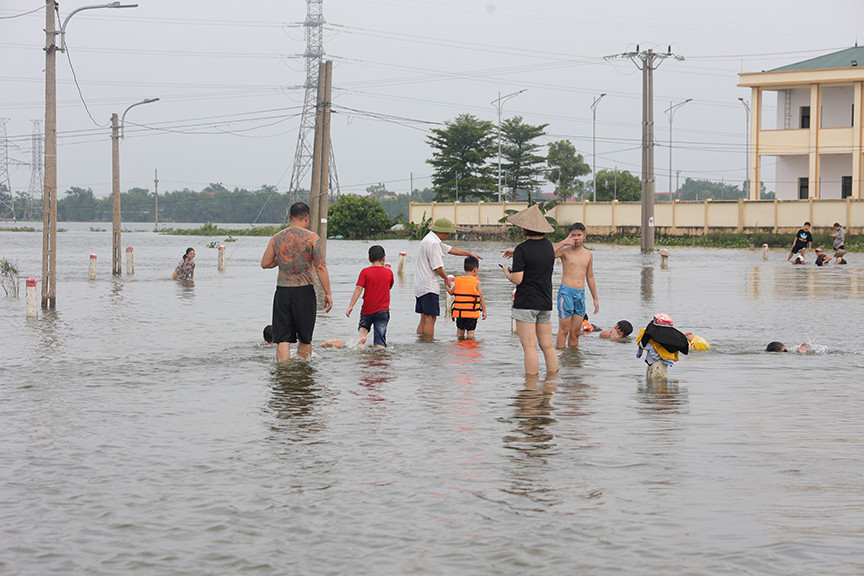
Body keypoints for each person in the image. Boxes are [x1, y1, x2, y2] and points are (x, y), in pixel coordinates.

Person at [260, 201, 332, 361]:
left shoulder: (277, 238)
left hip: (283, 291)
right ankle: (302, 375)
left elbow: (265, 263)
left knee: (283, 339)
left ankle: (284, 375)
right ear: (307, 218)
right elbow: (320, 267)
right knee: (305, 338)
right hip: (304, 290)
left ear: (289, 217)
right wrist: (328, 293)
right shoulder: (313, 238)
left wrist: (283, 259)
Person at [501, 204, 558, 376]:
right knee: (547, 345)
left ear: (525, 228)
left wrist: (506, 272)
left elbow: (518, 279)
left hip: (526, 302)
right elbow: (537, 259)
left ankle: (531, 386)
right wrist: (516, 253)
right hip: (545, 301)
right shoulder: (549, 247)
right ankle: (551, 382)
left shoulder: (522, 250)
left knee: (529, 346)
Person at [413, 218, 482, 338]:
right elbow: (437, 267)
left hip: (420, 285)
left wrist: (469, 254)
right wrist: (445, 278)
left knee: (424, 317)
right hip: (429, 286)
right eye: (448, 233)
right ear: (442, 232)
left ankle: (421, 344)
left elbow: (450, 249)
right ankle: (429, 345)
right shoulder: (433, 243)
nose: (449, 235)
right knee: (431, 318)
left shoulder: (429, 239)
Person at [552, 222, 599, 348]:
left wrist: (595, 298)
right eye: (573, 235)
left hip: (580, 294)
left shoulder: (588, 254)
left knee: (576, 332)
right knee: (564, 330)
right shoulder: (565, 252)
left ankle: (572, 360)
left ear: (584, 236)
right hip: (566, 292)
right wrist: (564, 242)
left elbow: (590, 277)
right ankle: (561, 359)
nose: (576, 238)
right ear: (569, 236)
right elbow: (547, 254)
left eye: (579, 235)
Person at [346, 245, 394, 348]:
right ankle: (381, 350)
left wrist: (351, 306)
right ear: (384, 258)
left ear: (369, 259)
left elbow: (358, 289)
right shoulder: (389, 273)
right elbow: (389, 287)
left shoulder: (365, 272)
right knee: (380, 340)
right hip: (382, 311)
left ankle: (363, 336)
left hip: (367, 310)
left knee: (363, 326)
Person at [636, 313, 689, 380]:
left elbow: (641, 345)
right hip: (660, 364)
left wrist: (639, 354)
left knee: (652, 382)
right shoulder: (671, 339)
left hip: (652, 363)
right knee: (659, 383)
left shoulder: (649, 335)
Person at [446, 255, 487, 339]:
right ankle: (469, 350)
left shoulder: (458, 280)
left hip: (460, 314)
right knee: (470, 335)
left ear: (464, 269)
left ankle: (460, 349)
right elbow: (481, 299)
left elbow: (450, 292)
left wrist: (446, 284)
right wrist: (484, 311)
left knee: (460, 333)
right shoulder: (476, 283)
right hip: (471, 314)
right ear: (475, 270)